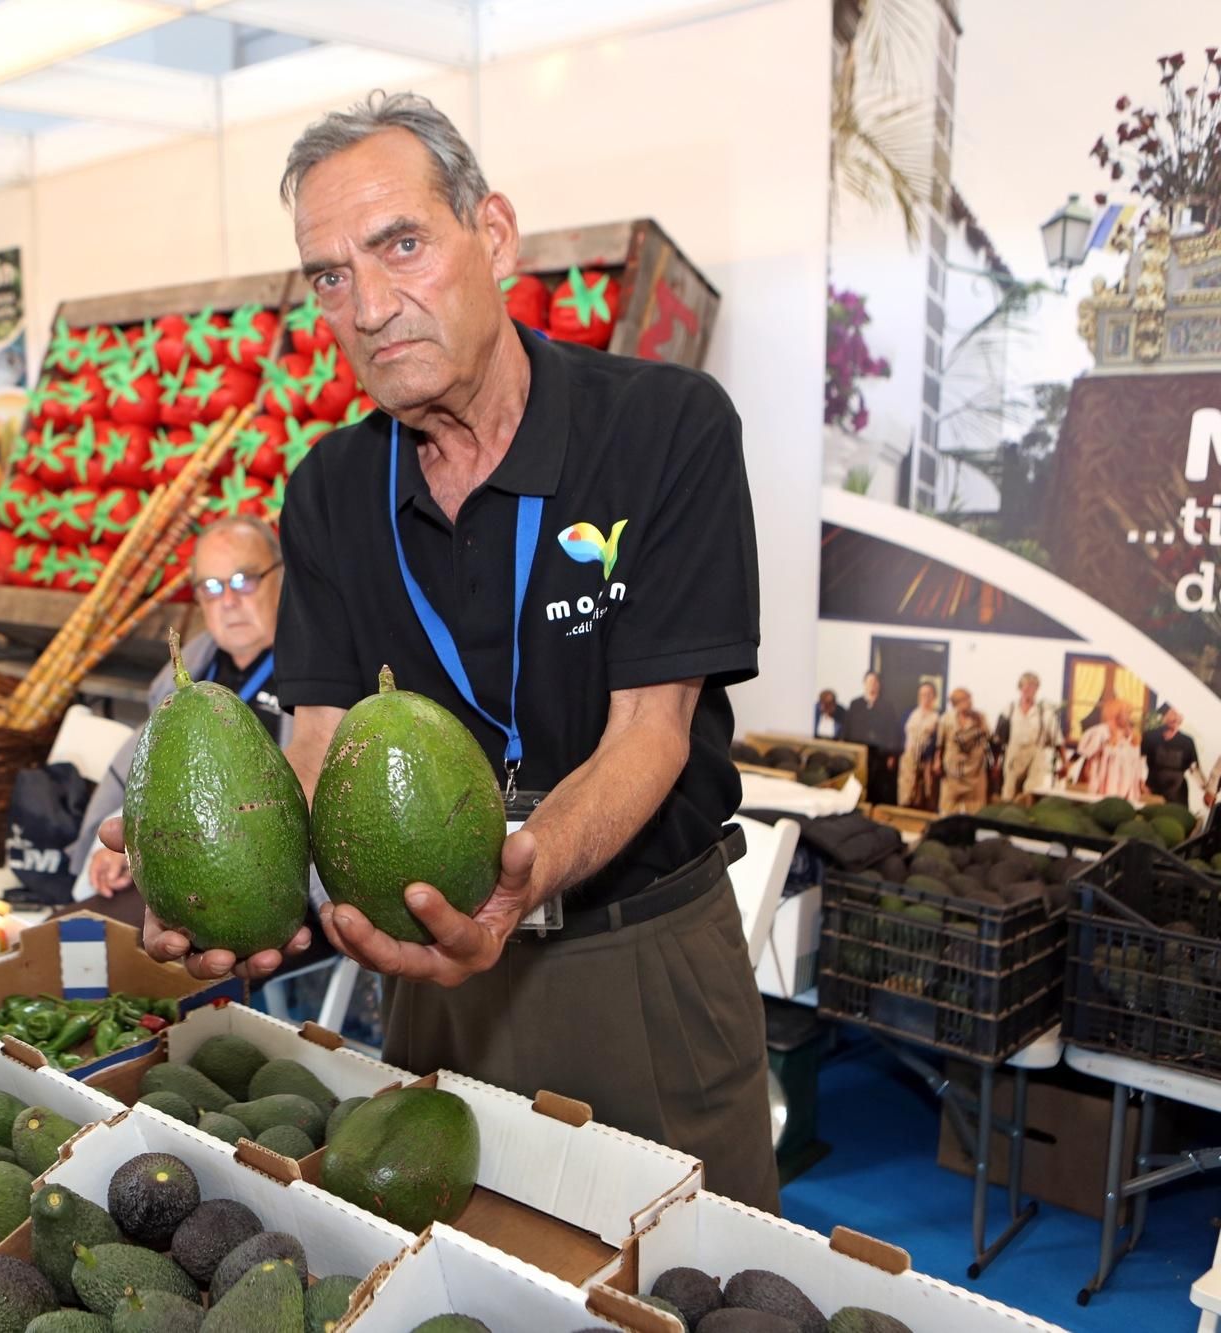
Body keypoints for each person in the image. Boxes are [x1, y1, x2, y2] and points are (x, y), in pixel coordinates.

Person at [102, 92, 776, 1209]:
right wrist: (244, 873)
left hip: (637, 957)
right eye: (327, 275)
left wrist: (520, 876)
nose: (367, 305)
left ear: (493, 235)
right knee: (457, 1271)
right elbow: (315, 731)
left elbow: (649, 730)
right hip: (425, 965)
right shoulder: (327, 489)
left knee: (690, 1278)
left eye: (399, 245)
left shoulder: (664, 429)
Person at [68, 516, 289, 907]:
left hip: (259, 878)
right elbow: (149, 778)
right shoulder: (187, 670)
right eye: (211, 588)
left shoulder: (318, 679)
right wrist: (125, 849)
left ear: (283, 575)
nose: (229, 602)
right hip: (168, 860)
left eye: (243, 580)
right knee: (77, 934)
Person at [998, 672, 1062, 799]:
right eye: (1025, 686)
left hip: (1036, 754)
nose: (1028, 689)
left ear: (1037, 689)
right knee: (1008, 790)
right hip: (1014, 754)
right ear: (1020, 688)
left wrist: (1065, 763)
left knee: (1030, 791)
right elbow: (998, 737)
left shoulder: (1045, 711)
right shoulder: (1009, 709)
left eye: (1032, 686)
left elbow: (1058, 740)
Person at [1077, 696, 1147, 803]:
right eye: (1126, 713)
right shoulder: (1101, 732)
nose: (1129, 717)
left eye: (1130, 713)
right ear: (1115, 714)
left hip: (1127, 784)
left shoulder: (1133, 736)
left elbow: (1139, 761)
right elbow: (1087, 754)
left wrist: (1141, 780)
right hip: (1107, 783)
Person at [845, 672, 901, 805]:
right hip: (859, 753)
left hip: (879, 755)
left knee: (877, 785)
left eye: (875, 683)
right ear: (864, 684)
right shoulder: (855, 704)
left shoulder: (887, 707)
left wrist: (891, 755)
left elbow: (892, 731)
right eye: (869, 682)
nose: (872, 686)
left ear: (879, 685)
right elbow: (848, 728)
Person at [935, 688, 991, 815]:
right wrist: (937, 761)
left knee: (976, 808)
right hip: (953, 769)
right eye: (964, 700)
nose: (969, 703)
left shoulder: (980, 717)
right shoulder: (946, 719)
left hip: (975, 769)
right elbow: (940, 743)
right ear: (956, 703)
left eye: (969, 699)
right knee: (947, 806)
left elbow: (988, 741)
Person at [1141, 706, 1200, 807]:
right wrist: (1141, 784)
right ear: (1164, 716)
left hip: (1177, 791)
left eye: (1178, 715)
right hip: (1152, 788)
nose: (1175, 718)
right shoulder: (1150, 736)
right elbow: (1139, 762)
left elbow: (1193, 767)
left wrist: (1207, 789)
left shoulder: (1187, 741)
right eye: (1172, 714)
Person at [897, 681, 940, 809]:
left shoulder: (938, 716)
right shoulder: (909, 713)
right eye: (922, 694)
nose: (925, 698)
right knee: (906, 793)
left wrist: (931, 758)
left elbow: (938, 741)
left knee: (923, 794)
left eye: (928, 694)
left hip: (927, 761)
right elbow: (900, 734)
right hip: (908, 758)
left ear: (934, 697)